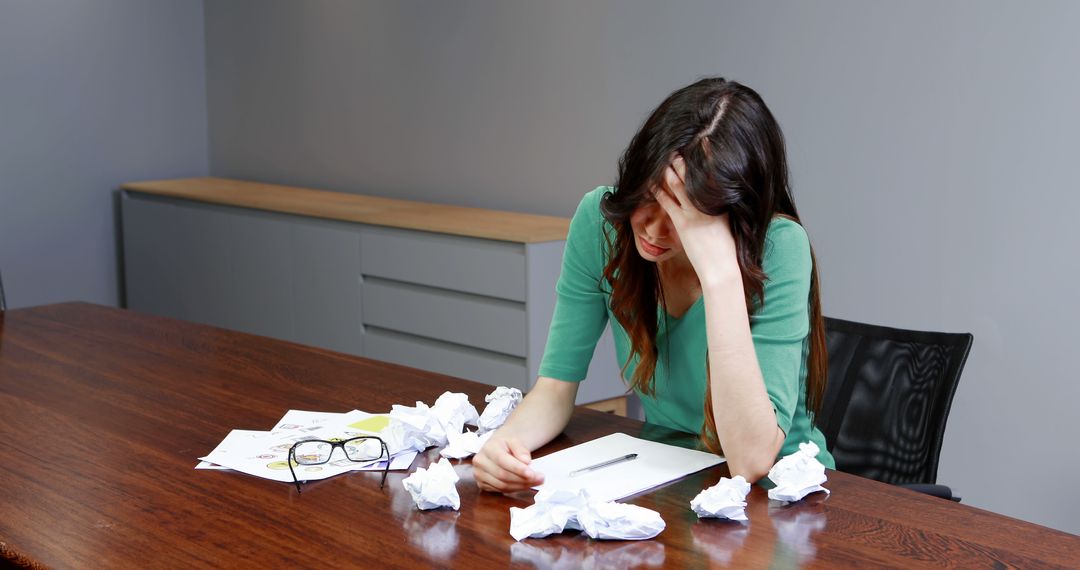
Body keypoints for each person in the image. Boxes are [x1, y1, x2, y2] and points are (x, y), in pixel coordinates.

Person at [473, 77, 834, 493]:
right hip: (667, 476)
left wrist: (719, 275)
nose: (654, 228)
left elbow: (750, 459)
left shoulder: (778, 247)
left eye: (686, 211)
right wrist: (506, 445)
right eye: (650, 195)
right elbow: (555, 387)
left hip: (781, 494)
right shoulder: (601, 224)